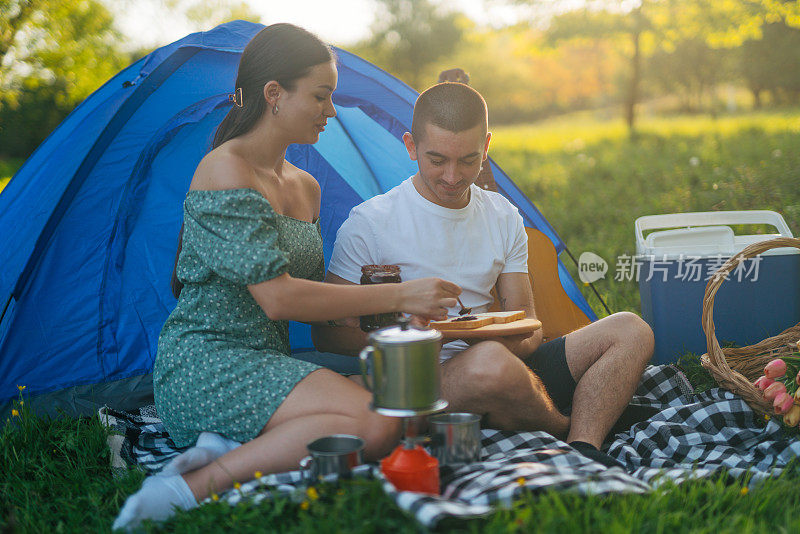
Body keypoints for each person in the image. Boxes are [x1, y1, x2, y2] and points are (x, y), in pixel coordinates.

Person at [113, 24, 460, 530]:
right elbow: (278, 299)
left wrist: (394, 329)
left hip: (269, 365)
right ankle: (185, 488)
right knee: (375, 423)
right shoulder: (223, 170)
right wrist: (405, 291)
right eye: (321, 96)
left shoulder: (307, 187)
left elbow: (317, 303)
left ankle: (232, 443)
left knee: (400, 411)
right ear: (274, 94)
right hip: (206, 364)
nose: (331, 110)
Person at [312, 82, 655, 467]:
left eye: (468, 160)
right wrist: (414, 341)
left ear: (487, 147)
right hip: (425, 378)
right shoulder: (370, 223)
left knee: (630, 328)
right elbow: (326, 334)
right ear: (410, 146)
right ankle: (567, 426)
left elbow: (530, 326)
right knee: (488, 366)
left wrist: (497, 343)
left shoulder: (502, 214)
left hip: (504, 363)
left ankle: (583, 445)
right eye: (437, 160)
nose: (453, 177)